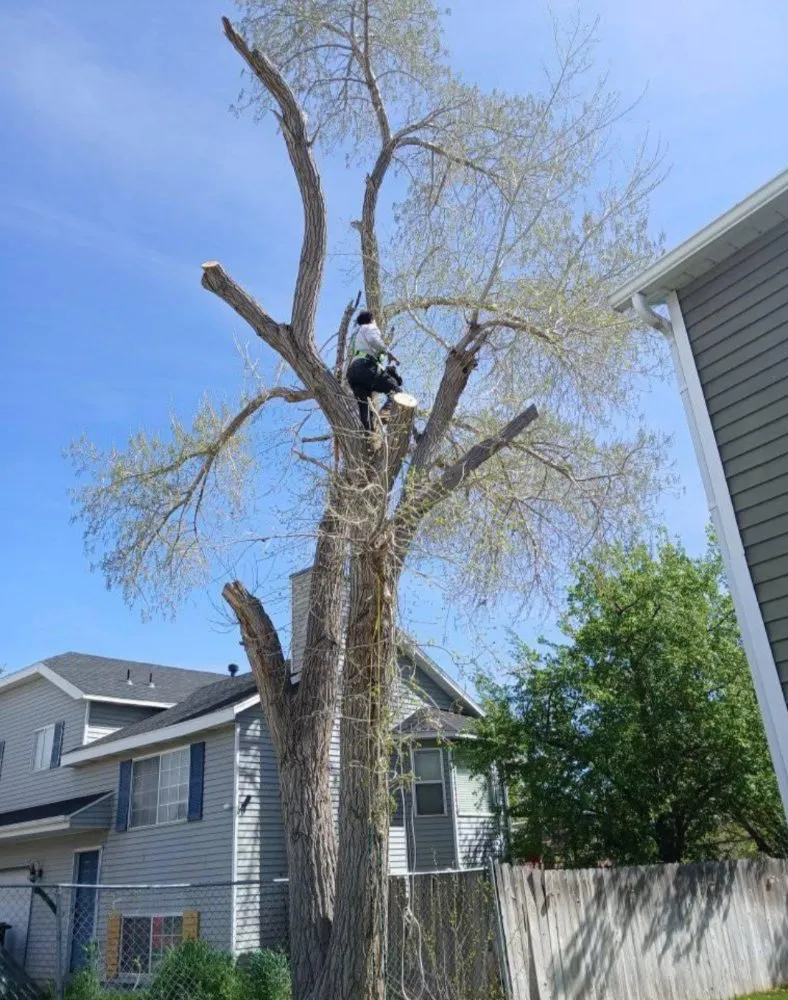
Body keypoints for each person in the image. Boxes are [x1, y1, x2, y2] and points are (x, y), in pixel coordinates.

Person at [346, 310, 402, 432]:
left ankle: (367, 435)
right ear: (371, 319)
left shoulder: (356, 335)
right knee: (396, 390)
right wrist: (388, 352)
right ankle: (386, 412)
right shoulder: (370, 327)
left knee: (365, 410)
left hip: (353, 373)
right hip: (365, 367)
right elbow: (373, 341)